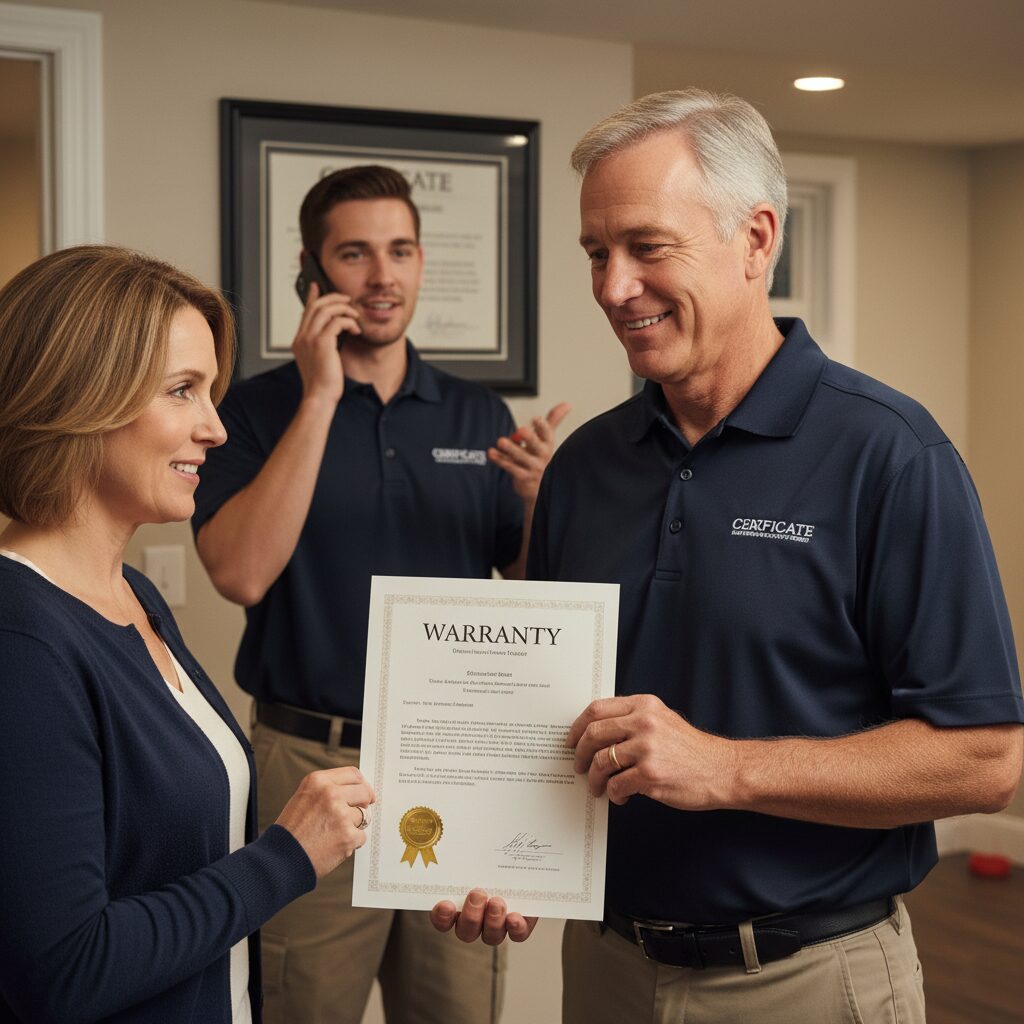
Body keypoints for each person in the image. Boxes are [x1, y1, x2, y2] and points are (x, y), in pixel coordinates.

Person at [431, 89, 1024, 1023]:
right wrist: (505, 857)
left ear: (755, 239)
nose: (613, 287)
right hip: (607, 970)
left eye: (646, 246)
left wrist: (725, 768)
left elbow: (984, 761)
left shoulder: (891, 455)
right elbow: (544, 718)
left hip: (809, 977)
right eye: (596, 253)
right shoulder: (583, 467)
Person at [192, 164, 569, 1024]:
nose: (381, 276)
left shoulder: (477, 415)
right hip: (312, 762)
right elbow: (240, 573)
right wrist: (321, 395)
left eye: (400, 251)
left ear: (423, 261)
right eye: (355, 254)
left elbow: (523, 592)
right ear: (312, 271)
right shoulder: (250, 411)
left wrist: (536, 502)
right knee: (305, 1005)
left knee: (456, 1006)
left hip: (454, 760)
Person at [0, 245, 375, 1024]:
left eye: (211, 392)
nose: (216, 429)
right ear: (83, 395)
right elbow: (65, 969)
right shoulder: (22, 640)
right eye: (183, 391)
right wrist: (286, 856)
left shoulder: (130, 594)